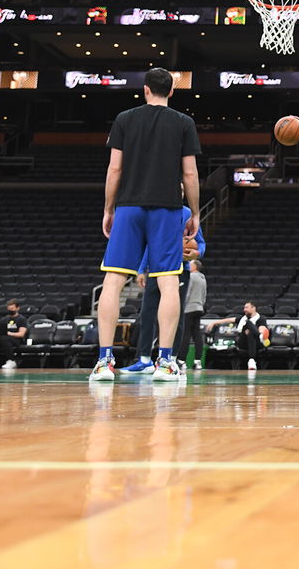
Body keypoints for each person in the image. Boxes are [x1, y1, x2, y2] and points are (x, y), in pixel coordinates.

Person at [90, 67, 201, 382]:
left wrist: (108, 208)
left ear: (145, 90)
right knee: (168, 282)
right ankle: (165, 362)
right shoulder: (183, 122)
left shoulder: (125, 118)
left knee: (113, 280)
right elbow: (190, 174)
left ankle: (104, 362)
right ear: (172, 92)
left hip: (128, 207)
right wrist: (193, 212)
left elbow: (114, 170)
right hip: (166, 209)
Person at [121, 208, 205, 375]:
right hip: (155, 268)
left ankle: (171, 360)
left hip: (179, 269)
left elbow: (200, 243)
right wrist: (141, 269)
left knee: (177, 315)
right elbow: (149, 244)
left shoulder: (188, 214)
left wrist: (196, 253)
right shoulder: (154, 211)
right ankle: (144, 360)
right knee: (147, 313)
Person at [207, 301, 268, 370]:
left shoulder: (261, 318)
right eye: (244, 308)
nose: (244, 309)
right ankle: (252, 360)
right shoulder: (242, 319)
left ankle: (251, 360)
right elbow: (228, 320)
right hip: (243, 343)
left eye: (247, 307)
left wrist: (255, 332)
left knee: (250, 332)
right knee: (247, 323)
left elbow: (262, 328)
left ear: (253, 308)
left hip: (257, 343)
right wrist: (213, 323)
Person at [175, 259, 207, 370]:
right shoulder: (203, 278)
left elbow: (187, 292)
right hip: (199, 307)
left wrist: (182, 305)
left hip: (189, 308)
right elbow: (204, 294)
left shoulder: (191, 276)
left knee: (186, 334)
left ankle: (181, 361)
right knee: (197, 335)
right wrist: (201, 304)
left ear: (195, 267)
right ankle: (198, 361)